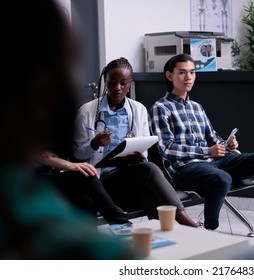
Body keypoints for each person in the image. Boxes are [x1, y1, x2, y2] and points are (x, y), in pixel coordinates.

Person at [1, 0, 137, 259]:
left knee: (84, 196)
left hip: (48, 179)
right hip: (44, 178)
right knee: (85, 174)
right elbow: (48, 154)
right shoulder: (19, 210)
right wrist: (71, 164)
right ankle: (122, 226)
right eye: (69, 63)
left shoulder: (136, 109)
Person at [149, 54, 254, 252]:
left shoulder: (197, 107)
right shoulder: (160, 108)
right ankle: (208, 234)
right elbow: (166, 149)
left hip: (214, 161)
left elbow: (212, 137)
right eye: (182, 73)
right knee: (221, 178)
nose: (189, 77)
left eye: (192, 72)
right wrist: (207, 150)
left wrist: (226, 144)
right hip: (185, 169)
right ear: (170, 76)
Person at [72, 57, 199, 228]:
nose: (118, 87)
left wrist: (138, 157)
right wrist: (94, 144)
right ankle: (188, 224)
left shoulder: (138, 110)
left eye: (123, 83)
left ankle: (166, 238)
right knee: (150, 169)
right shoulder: (87, 111)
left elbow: (143, 150)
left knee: (148, 191)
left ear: (130, 84)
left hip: (128, 175)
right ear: (105, 81)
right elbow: (76, 154)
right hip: (100, 181)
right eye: (112, 82)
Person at [36, 152, 131, 225]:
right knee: (84, 174)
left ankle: (91, 243)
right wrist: (70, 165)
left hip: (50, 175)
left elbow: (46, 155)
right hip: (30, 179)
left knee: (87, 200)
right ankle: (119, 221)